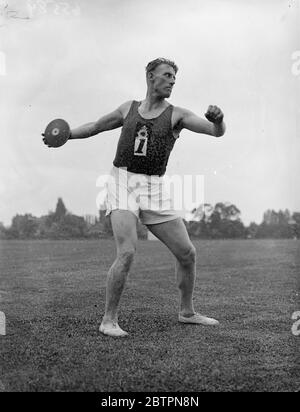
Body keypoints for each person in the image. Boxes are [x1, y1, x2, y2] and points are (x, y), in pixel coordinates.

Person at [43, 58, 226, 337]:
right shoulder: (127, 109)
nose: (173, 81)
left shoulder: (177, 115)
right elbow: (94, 127)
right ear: (151, 77)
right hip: (122, 181)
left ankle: (187, 312)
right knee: (127, 251)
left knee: (187, 253)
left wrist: (219, 120)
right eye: (167, 75)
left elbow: (215, 132)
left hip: (154, 187)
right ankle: (108, 320)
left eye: (175, 77)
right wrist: (66, 135)